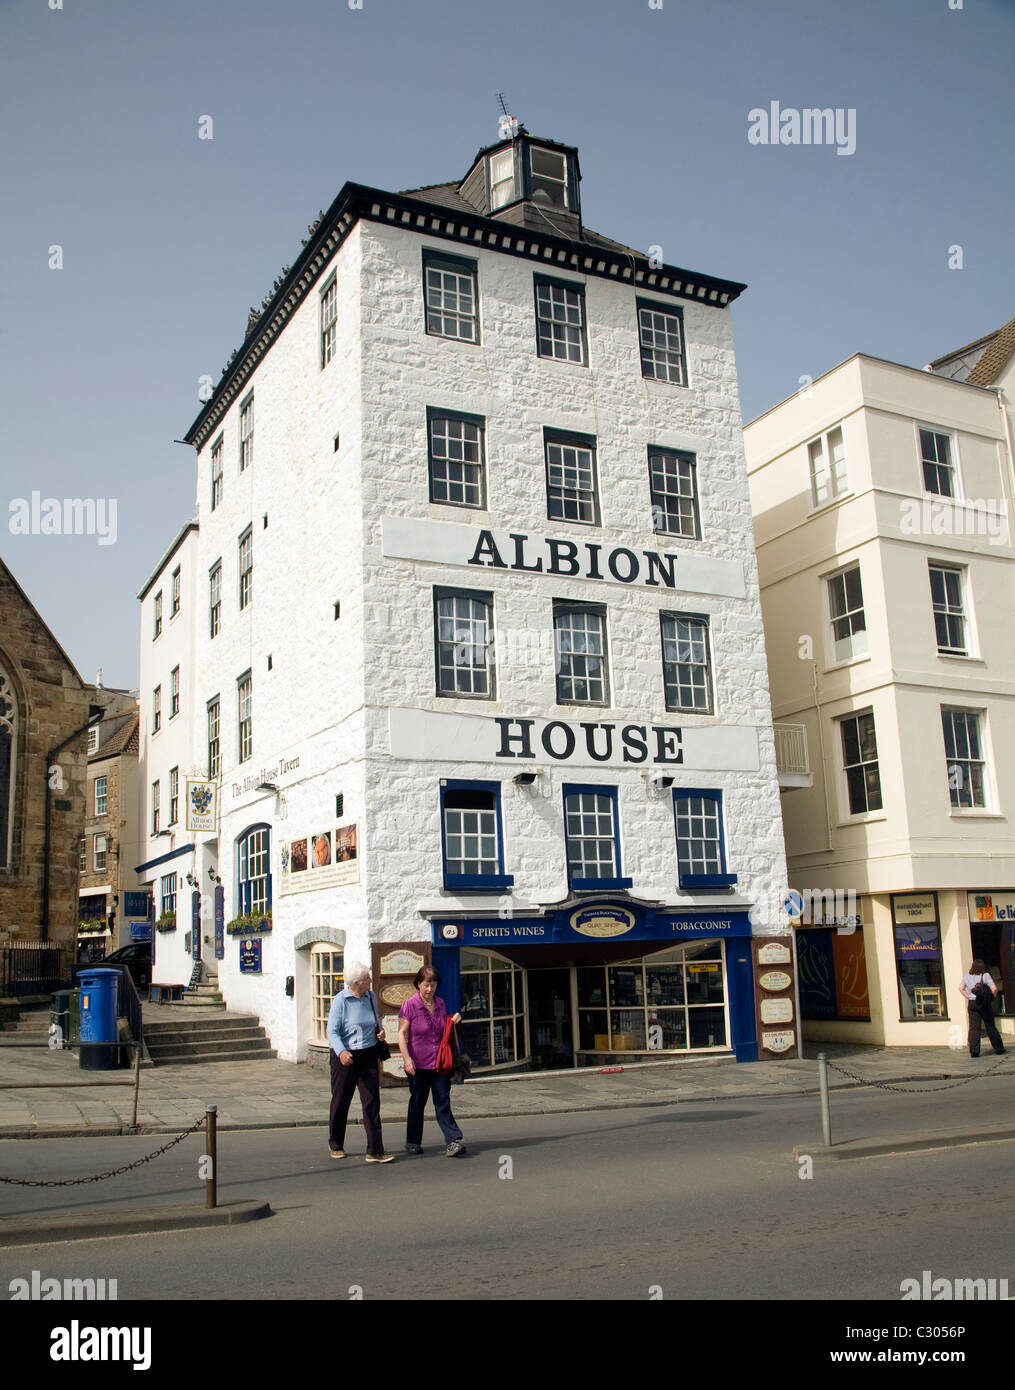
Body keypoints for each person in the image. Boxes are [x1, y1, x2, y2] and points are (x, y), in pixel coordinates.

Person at [326, 962, 394, 1163]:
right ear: (357, 983)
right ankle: (336, 1144)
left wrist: (380, 1032)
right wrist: (341, 1052)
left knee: (372, 1101)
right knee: (341, 1101)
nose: (371, 980)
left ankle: (375, 1150)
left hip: (368, 1054)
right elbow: (332, 1031)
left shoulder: (371, 997)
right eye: (367, 978)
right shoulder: (341, 1001)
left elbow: (375, 1022)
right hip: (345, 1058)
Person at [397, 965, 466, 1157]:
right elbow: (402, 1034)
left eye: (433, 985)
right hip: (417, 1064)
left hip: (439, 1063)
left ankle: (454, 1140)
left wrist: (453, 1021)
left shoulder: (441, 1004)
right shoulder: (409, 1005)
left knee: (443, 1102)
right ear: (419, 984)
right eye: (426, 985)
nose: (429, 990)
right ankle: (413, 1141)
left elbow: (444, 1030)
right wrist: (407, 1059)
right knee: (417, 1103)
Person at [959, 958, 1006, 1059]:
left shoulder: (967, 976)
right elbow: (994, 989)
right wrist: (991, 998)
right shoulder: (985, 975)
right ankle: (998, 1048)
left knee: (974, 1028)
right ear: (982, 967)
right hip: (984, 1003)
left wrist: (968, 997)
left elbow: (960, 988)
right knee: (990, 1026)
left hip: (972, 1003)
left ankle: (974, 1051)